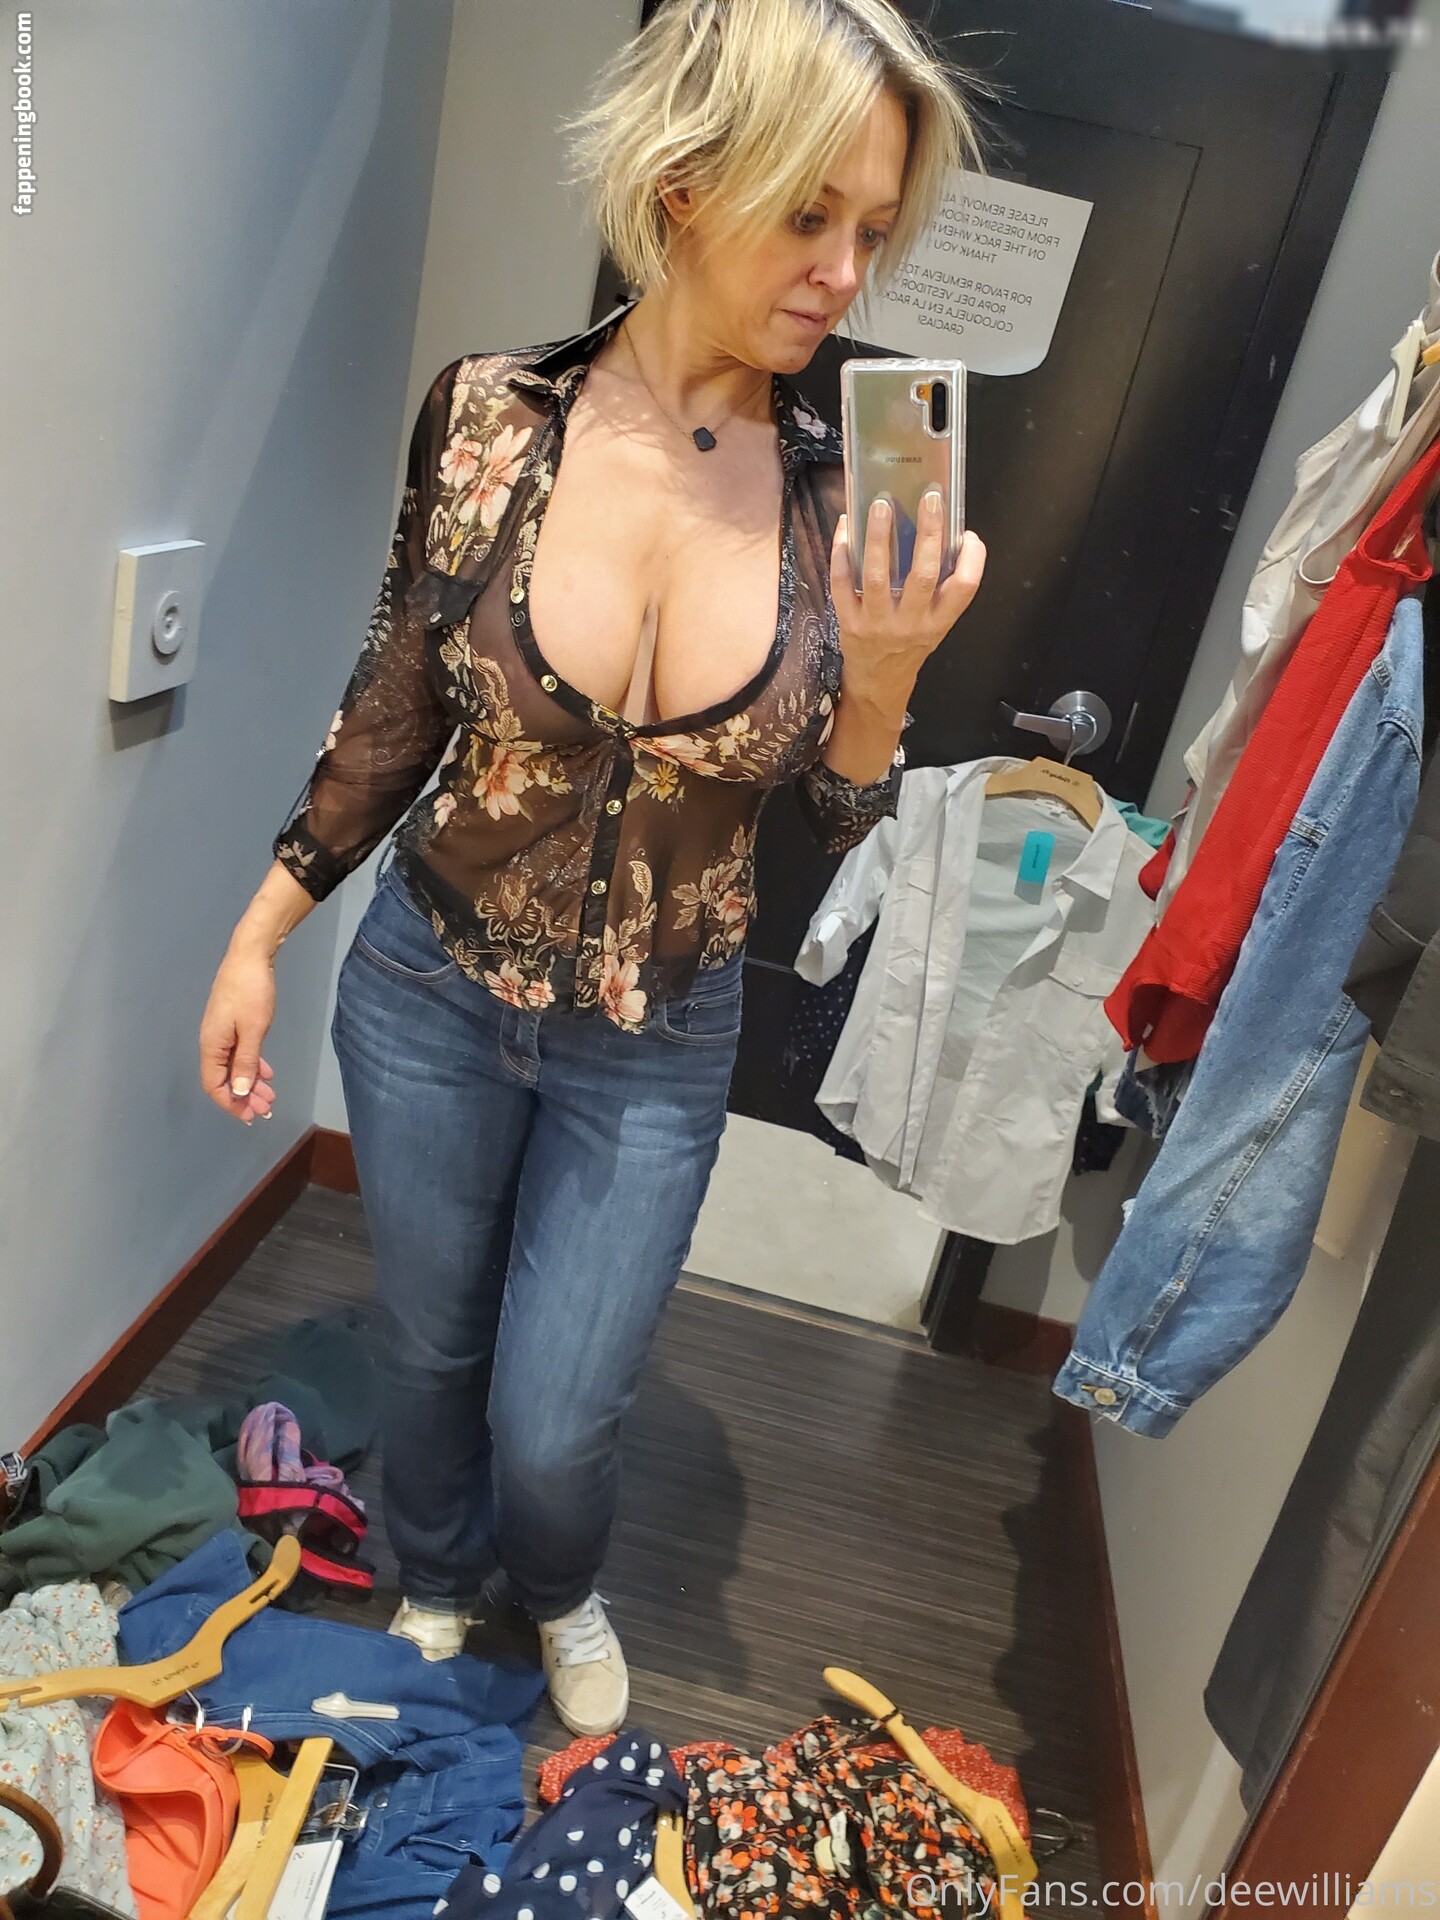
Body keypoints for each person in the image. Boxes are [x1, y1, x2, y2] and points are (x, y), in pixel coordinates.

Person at [198, 0, 988, 1738]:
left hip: (660, 1036)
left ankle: (557, 1584)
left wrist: (881, 686)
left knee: (559, 1414)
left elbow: (843, 827)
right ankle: (431, 1568)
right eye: (811, 214)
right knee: (427, 1343)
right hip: (426, 984)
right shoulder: (490, 418)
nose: (847, 272)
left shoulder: (832, 503)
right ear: (688, 184)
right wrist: (262, 933)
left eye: (875, 229)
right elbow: (396, 699)